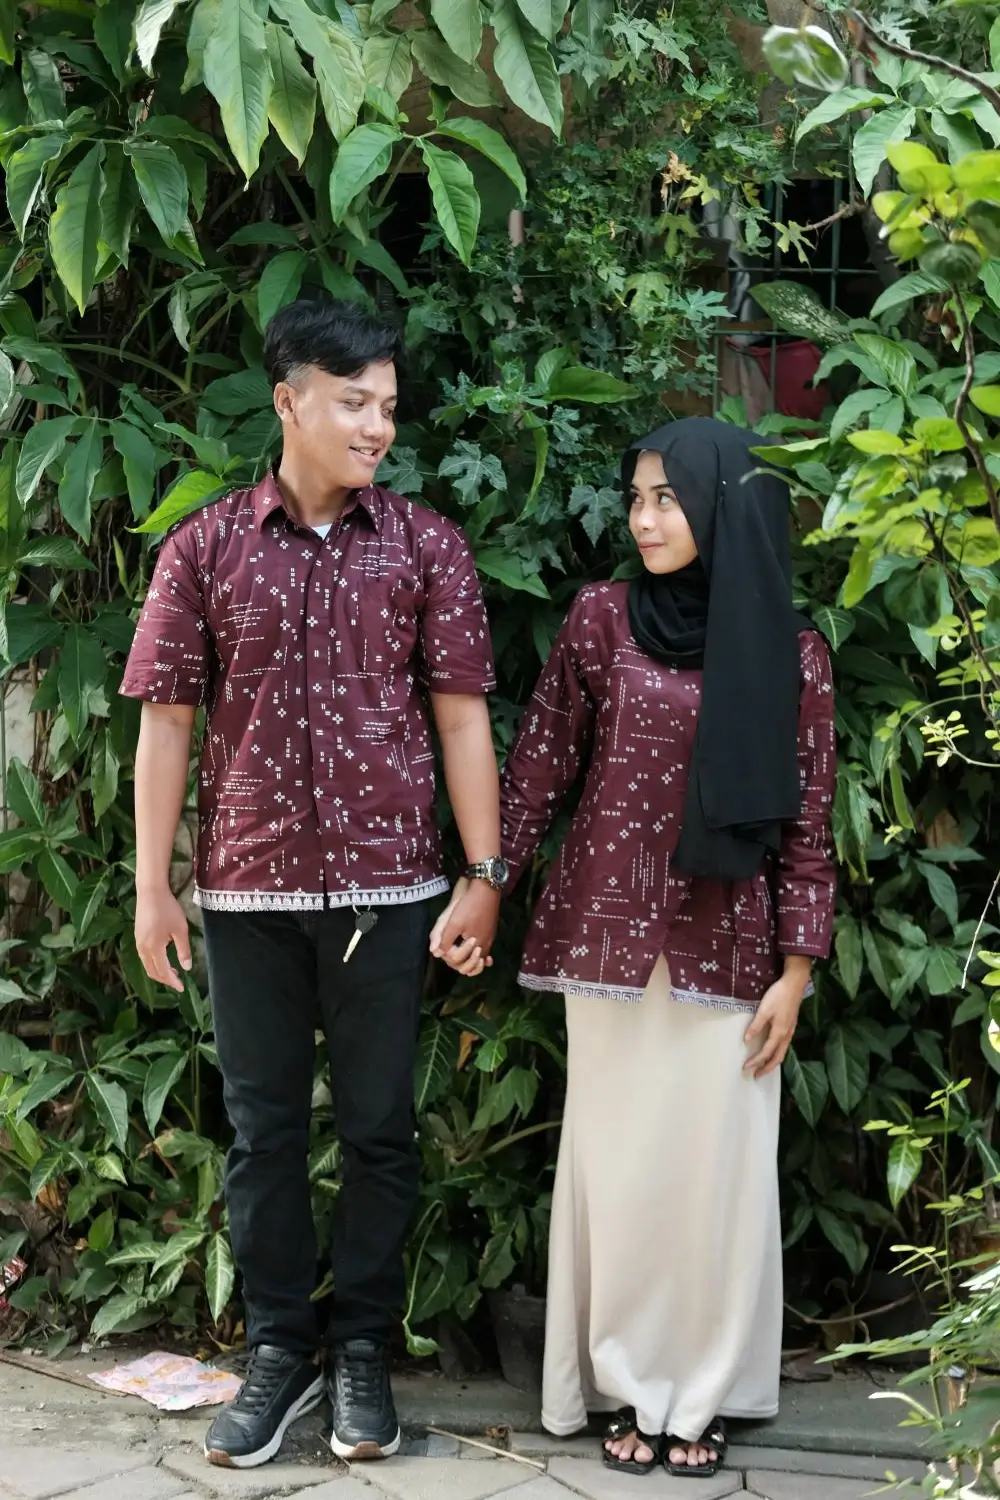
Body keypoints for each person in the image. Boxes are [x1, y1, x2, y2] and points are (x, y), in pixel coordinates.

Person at [121, 298, 508, 1470]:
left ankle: (362, 1357)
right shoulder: (203, 548)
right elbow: (166, 724)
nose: (377, 425)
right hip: (247, 898)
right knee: (263, 1137)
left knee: (382, 1131)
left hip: (390, 895)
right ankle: (279, 1352)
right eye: (354, 402)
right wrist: (153, 887)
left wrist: (483, 873)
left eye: (387, 404)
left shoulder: (426, 546)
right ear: (289, 401)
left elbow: (461, 718)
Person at [433, 417, 836, 1478]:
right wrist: (486, 882)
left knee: (713, 1181)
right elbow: (540, 769)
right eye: (637, 499)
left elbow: (807, 824)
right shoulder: (600, 620)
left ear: (722, 508)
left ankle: (699, 1394)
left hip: (730, 953)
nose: (644, 520)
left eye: (667, 498)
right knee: (618, 1175)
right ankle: (618, 1381)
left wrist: (796, 973)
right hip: (607, 946)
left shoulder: (792, 653)